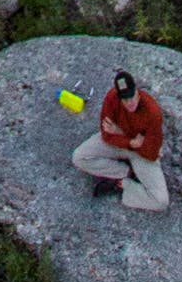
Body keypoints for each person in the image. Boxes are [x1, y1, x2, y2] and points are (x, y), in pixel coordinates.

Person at [72, 67, 169, 212]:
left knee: (161, 202)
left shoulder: (152, 111)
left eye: (131, 97)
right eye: (124, 98)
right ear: (118, 95)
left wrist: (119, 132)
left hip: (141, 153)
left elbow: (151, 152)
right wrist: (131, 141)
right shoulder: (111, 98)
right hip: (126, 144)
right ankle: (124, 173)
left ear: (137, 91)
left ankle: (124, 185)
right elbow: (106, 135)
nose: (129, 102)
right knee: (79, 157)